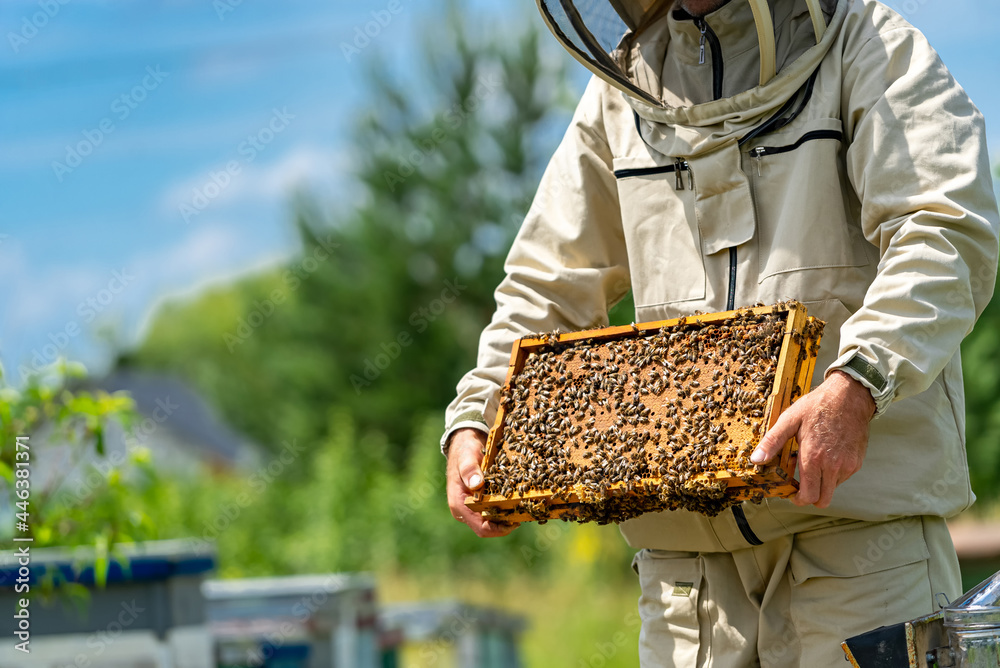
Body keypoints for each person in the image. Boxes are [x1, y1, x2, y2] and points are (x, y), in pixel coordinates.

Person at [442, 0, 1000, 664]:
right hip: (687, 586)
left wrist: (861, 382)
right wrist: (478, 416)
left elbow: (945, 229)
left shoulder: (867, 43)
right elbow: (548, 283)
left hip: (858, 555)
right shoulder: (621, 94)